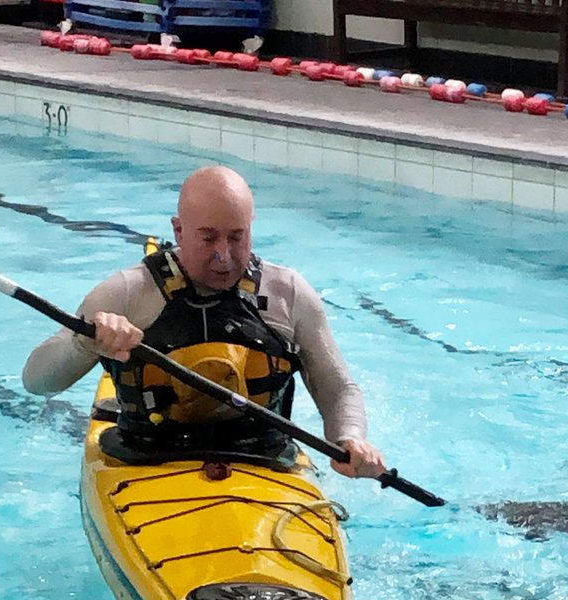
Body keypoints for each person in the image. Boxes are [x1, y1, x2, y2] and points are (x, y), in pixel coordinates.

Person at [22, 165, 385, 478]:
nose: (224, 256)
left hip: (264, 460)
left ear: (251, 228)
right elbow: (37, 381)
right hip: (144, 458)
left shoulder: (288, 293)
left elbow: (336, 387)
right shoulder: (128, 293)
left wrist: (349, 437)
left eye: (236, 237)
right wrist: (86, 344)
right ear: (178, 232)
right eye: (208, 238)